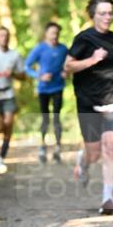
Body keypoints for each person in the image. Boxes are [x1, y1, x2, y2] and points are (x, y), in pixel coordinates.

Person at [64, 0, 113, 215]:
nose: (108, 17)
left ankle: (108, 197)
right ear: (93, 15)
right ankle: (84, 160)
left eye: (110, 13)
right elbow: (68, 66)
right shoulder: (83, 38)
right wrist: (92, 60)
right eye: (103, 13)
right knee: (95, 153)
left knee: (110, 147)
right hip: (88, 102)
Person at [25, 21, 68, 163]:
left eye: (57, 33)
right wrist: (39, 76)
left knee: (56, 118)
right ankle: (42, 146)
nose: (55, 35)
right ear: (46, 34)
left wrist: (66, 71)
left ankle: (57, 149)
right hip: (43, 88)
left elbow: (69, 64)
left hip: (58, 88)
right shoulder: (39, 49)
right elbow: (27, 66)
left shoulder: (63, 49)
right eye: (52, 32)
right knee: (45, 118)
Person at [0, 26, 26, 174]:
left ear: (9, 38)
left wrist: (13, 74)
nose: (4, 38)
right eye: (1, 35)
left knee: (8, 127)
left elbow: (23, 76)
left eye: (6, 36)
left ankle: (1, 159)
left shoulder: (15, 55)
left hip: (8, 94)